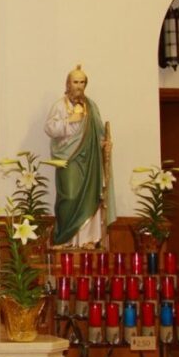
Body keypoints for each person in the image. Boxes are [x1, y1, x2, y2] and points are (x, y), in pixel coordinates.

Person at [44, 65, 112, 247]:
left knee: (90, 196)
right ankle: (65, 238)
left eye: (82, 82)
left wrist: (105, 144)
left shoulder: (92, 107)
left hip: (89, 160)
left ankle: (88, 239)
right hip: (68, 158)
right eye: (75, 82)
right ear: (68, 84)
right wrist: (69, 121)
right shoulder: (60, 105)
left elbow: (98, 132)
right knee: (69, 195)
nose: (79, 86)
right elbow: (49, 128)